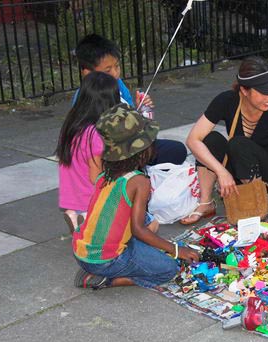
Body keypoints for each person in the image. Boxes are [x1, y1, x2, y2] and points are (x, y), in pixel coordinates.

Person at [72, 104, 200, 290]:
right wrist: (177, 250)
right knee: (169, 269)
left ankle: (113, 267)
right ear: (141, 149)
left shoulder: (106, 173)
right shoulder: (139, 181)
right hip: (105, 260)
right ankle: (107, 280)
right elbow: (139, 229)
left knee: (148, 227)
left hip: (82, 251)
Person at [182, 56, 268, 225]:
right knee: (209, 139)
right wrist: (221, 172)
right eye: (264, 92)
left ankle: (254, 206)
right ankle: (206, 203)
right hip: (238, 165)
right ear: (244, 90)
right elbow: (193, 139)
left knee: (238, 143)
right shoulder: (227, 100)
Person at [73, 33, 187, 165]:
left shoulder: (119, 84)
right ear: (88, 73)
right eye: (108, 70)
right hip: (111, 155)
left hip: (130, 145)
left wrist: (139, 109)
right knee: (172, 152)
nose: (115, 74)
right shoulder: (85, 99)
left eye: (117, 66)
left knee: (176, 150)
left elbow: (132, 120)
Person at [56, 71, 120, 232]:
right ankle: (86, 220)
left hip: (71, 196)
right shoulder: (95, 135)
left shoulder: (73, 124)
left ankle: (75, 216)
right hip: (89, 200)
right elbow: (95, 176)